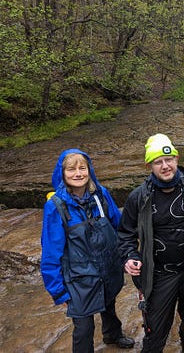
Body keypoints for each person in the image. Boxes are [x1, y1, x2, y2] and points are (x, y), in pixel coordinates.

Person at [40, 149, 135, 353]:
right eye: (71, 169)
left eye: (82, 168)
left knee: (109, 304)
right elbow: (50, 252)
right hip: (79, 278)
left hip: (107, 269)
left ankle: (113, 335)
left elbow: (118, 227)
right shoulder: (55, 207)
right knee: (84, 327)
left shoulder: (101, 194)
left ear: (89, 170)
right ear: (62, 173)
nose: (78, 173)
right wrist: (58, 290)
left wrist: (126, 256)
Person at [118, 133, 184, 353]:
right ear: (149, 165)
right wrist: (130, 257)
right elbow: (125, 234)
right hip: (159, 273)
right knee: (155, 328)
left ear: (176, 158)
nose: (165, 166)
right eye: (158, 162)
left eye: (169, 159)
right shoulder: (139, 197)